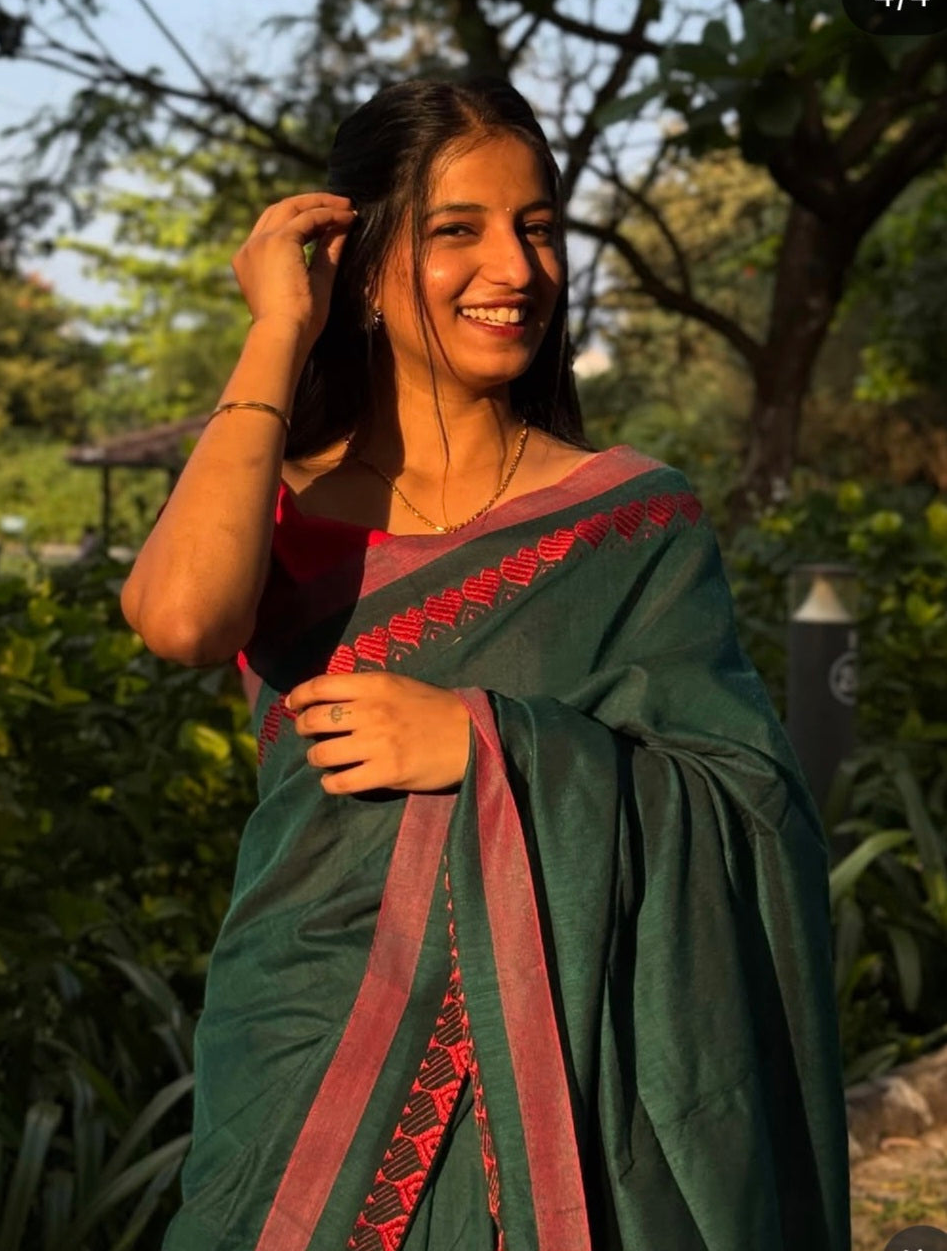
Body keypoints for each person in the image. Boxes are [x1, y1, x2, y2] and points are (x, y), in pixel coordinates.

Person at [121, 77, 851, 1251]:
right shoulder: (285, 503)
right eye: (456, 230)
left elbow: (752, 808)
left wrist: (489, 742)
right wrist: (274, 329)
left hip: (564, 1087)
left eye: (538, 227)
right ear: (360, 267)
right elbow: (183, 618)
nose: (513, 269)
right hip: (303, 1052)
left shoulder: (632, 519)